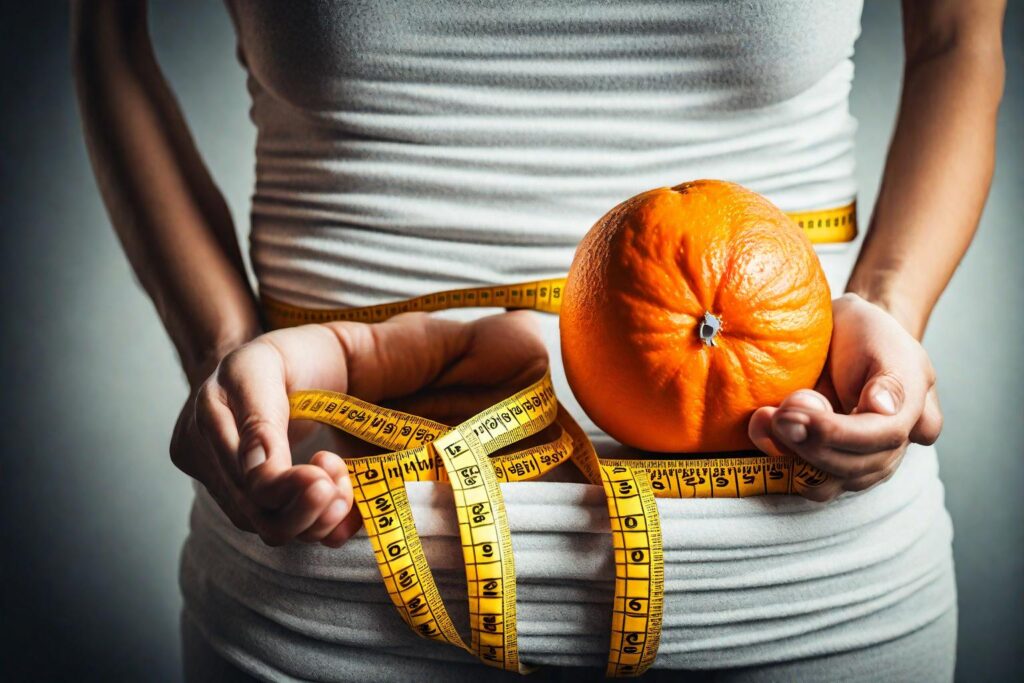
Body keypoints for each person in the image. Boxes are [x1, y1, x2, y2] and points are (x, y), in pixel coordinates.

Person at [72, 0, 1005, 680]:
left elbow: (959, 39)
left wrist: (890, 305)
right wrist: (227, 361)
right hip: (331, 588)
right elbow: (108, 40)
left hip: (815, 596)